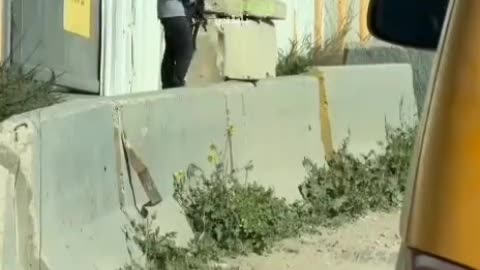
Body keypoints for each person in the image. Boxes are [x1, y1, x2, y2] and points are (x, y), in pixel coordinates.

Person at [157, 0, 195, 89]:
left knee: (171, 51)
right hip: (175, 13)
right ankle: (177, 83)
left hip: (169, 12)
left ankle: (168, 84)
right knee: (186, 50)